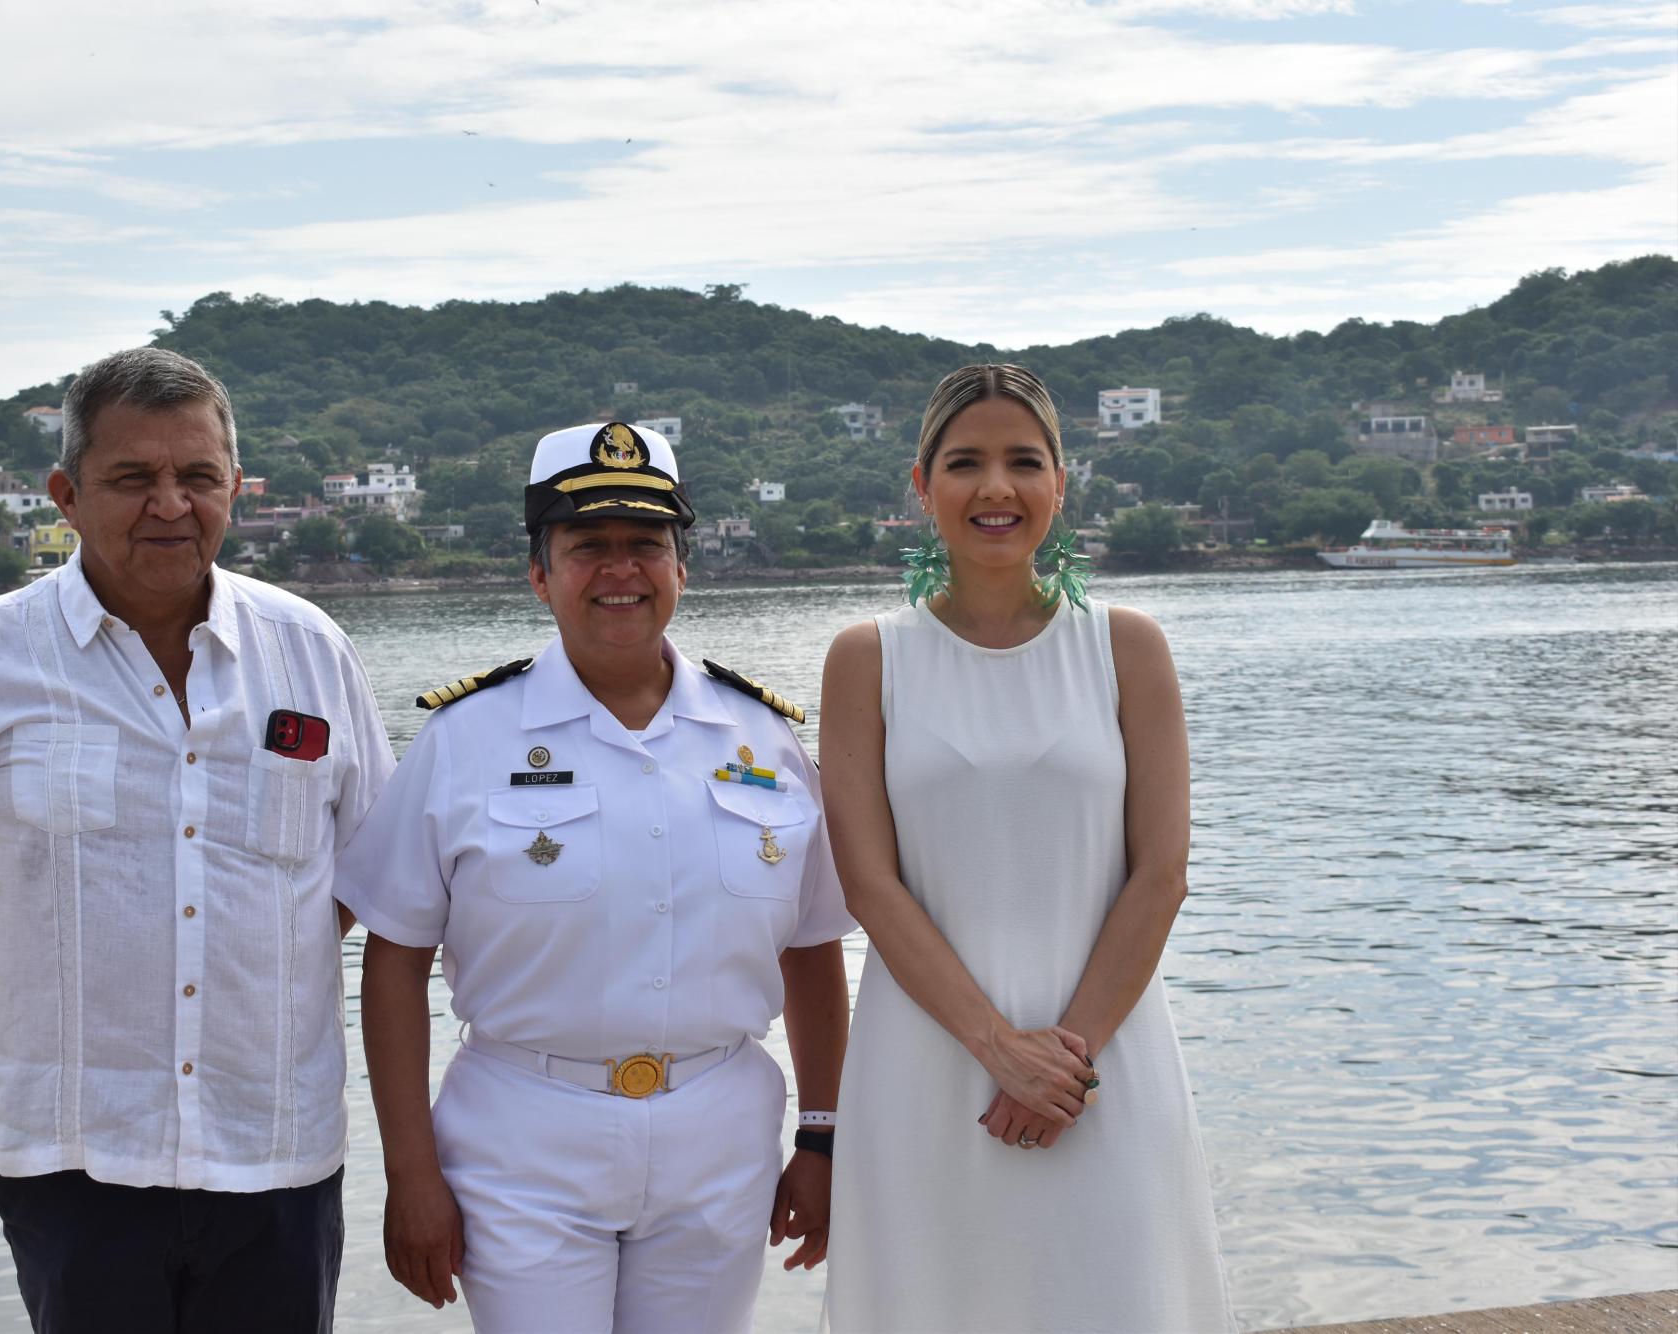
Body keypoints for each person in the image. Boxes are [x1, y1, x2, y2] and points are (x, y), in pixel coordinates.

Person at [0, 347, 394, 1334]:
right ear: (65, 493)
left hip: (272, 1149)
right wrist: (33, 993)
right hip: (72, 1158)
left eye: (196, 476)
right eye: (132, 477)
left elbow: (366, 871)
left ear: (235, 486)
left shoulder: (312, 653)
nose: (170, 503)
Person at [340, 420, 853, 1333]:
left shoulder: (762, 739)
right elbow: (393, 960)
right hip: (522, 1136)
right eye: (589, 547)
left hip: (718, 1132)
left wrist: (823, 1137)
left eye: (645, 545)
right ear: (540, 574)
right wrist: (410, 1173)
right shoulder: (467, 738)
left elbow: (812, 949)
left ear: (681, 568)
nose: (621, 570)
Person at [817, 364, 1234, 1332]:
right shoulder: (864, 658)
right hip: (925, 1069)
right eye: (964, 462)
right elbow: (870, 886)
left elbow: (1159, 874)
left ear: (1059, 481)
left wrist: (1062, 1063)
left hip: (1104, 1068)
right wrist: (997, 1048)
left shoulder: (1125, 646)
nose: (994, 487)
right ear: (920, 486)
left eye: (1022, 461)